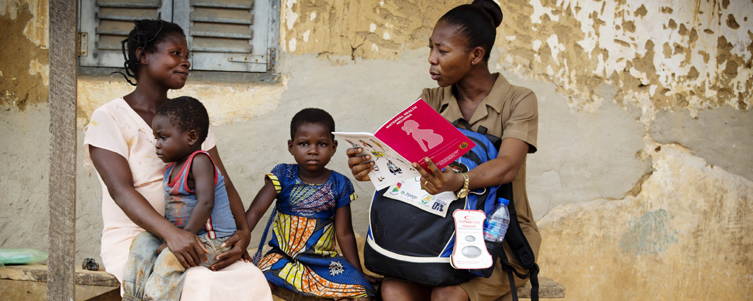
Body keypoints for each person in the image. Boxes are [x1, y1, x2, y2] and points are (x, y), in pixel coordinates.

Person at [346, 1, 540, 300]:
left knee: (447, 295)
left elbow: (508, 165)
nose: (431, 60)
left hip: (495, 238)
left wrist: (458, 181)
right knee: (393, 288)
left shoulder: (518, 100)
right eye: (431, 48)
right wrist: (374, 168)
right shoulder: (432, 100)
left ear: (476, 55)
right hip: (434, 236)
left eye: (443, 51)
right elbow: (409, 169)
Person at [83, 19, 272, 300]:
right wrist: (173, 235)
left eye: (187, 56)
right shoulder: (109, 118)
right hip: (139, 240)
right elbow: (121, 191)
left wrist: (243, 232)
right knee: (198, 284)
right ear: (143, 56)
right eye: (176, 53)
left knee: (249, 279)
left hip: (198, 235)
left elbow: (223, 181)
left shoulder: (188, 120)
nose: (186, 62)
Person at [245, 108, 377, 300]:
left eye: (322, 144)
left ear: (334, 147)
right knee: (257, 283)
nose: (313, 150)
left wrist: (358, 272)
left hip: (323, 263)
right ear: (291, 147)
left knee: (362, 292)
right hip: (283, 258)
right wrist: (239, 247)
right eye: (303, 143)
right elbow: (255, 211)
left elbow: (345, 232)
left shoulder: (340, 184)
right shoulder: (283, 175)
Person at [122, 96, 238, 300]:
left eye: (162, 137)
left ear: (191, 137)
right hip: (185, 234)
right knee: (142, 241)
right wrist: (172, 236)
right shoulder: (171, 169)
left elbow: (206, 203)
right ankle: (132, 296)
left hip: (213, 240)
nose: (156, 145)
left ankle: (157, 297)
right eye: (155, 138)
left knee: (171, 256)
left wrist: (179, 238)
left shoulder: (200, 161)